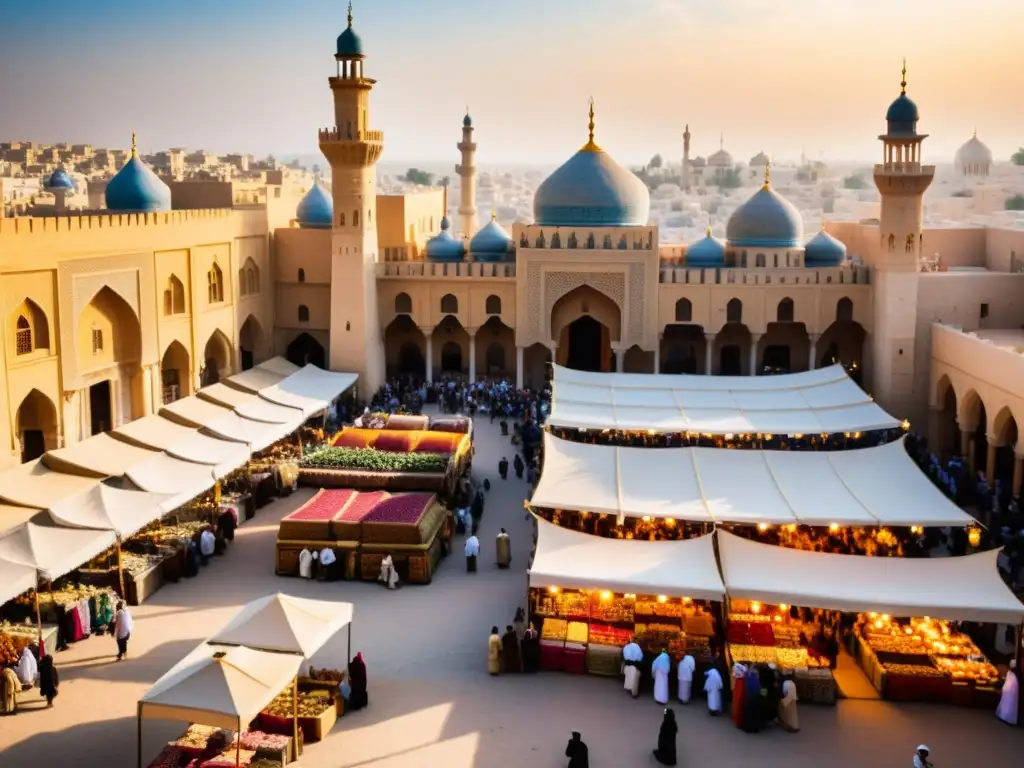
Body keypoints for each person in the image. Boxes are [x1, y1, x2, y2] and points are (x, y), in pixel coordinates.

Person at [996, 659, 1019, 726]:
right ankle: (1007, 717)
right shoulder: (1015, 673)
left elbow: (1008, 681)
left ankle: (1004, 716)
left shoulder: (1010, 672)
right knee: (1009, 705)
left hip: (1008, 690)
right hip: (1011, 692)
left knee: (1005, 704)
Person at [741, 666, 762, 733]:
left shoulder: (749, 679)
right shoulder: (756, 680)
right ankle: (755, 728)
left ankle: (748, 728)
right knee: (756, 714)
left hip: (749, 699)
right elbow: (759, 689)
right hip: (756, 699)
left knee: (749, 714)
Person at [730, 661, 748, 728]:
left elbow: (734, 675)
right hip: (741, 684)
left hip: (738, 683)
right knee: (739, 700)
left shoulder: (736, 666)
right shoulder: (741, 667)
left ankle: (737, 718)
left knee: (737, 700)